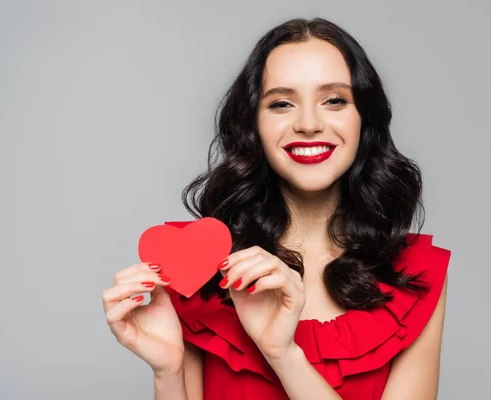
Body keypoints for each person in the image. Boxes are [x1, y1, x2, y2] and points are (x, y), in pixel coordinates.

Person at [102, 17, 451, 400]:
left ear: (363, 119)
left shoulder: (416, 273)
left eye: (334, 100)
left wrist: (283, 354)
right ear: (254, 124)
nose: (308, 124)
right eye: (281, 103)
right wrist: (168, 372)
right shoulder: (197, 265)